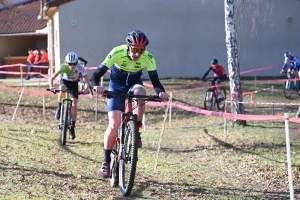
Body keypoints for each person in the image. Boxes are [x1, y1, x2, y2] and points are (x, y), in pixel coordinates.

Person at [91, 30, 169, 178]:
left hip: (134, 85)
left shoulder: (149, 58)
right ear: (128, 47)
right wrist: (96, 86)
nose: (137, 54)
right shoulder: (117, 52)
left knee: (140, 93)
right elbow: (96, 75)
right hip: (116, 87)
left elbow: (156, 82)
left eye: (141, 50)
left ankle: (136, 128)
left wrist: (161, 92)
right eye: (134, 49)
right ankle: (106, 161)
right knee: (114, 124)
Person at [49, 52, 91, 140]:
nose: (72, 66)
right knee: (62, 89)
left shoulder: (80, 67)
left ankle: (72, 127)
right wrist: (52, 87)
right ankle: (59, 106)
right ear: (66, 63)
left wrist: (86, 88)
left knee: (74, 105)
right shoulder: (63, 67)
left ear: (77, 62)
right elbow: (51, 78)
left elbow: (87, 80)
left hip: (74, 84)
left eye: (74, 64)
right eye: (70, 64)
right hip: (65, 81)